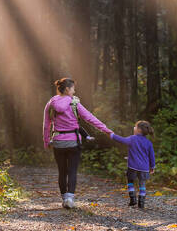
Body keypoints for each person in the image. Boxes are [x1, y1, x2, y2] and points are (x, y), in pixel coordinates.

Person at [43, 78, 112, 208]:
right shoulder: (74, 103)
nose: (74, 91)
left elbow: (46, 125)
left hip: (58, 142)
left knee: (62, 171)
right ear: (68, 89)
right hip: (73, 142)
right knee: (72, 171)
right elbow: (90, 118)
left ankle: (64, 199)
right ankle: (70, 198)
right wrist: (106, 130)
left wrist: (46, 141)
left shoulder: (51, 103)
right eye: (73, 88)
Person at [109, 121, 155, 209]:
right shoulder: (149, 143)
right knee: (142, 184)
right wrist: (152, 167)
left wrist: (112, 135)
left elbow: (122, 140)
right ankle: (141, 203)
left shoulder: (132, 138)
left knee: (130, 182)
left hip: (132, 166)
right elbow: (152, 156)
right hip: (144, 168)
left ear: (138, 130)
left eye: (135, 127)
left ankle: (133, 199)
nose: (133, 128)